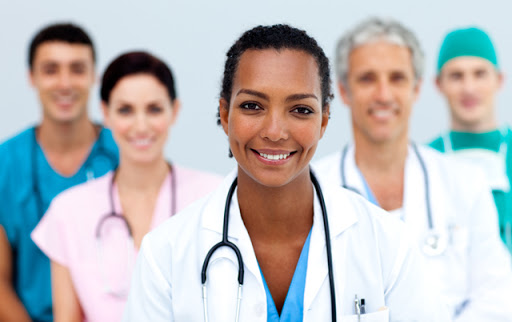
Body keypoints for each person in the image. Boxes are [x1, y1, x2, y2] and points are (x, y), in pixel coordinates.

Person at [122, 24, 442, 322]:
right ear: (224, 113)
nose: (275, 132)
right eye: (252, 106)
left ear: (324, 121)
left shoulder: (387, 244)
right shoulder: (165, 255)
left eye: (300, 110)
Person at [314, 17, 512, 321]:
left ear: (416, 88)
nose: (383, 94)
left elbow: (497, 295)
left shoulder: (465, 183)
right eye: (367, 78)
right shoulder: (311, 191)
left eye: (397, 78)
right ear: (343, 90)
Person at [31, 51, 223, 321]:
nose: (141, 126)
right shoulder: (68, 211)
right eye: (125, 110)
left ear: (174, 111)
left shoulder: (214, 198)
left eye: (154, 109)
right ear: (105, 113)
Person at [0, 23, 119, 322]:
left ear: (94, 76)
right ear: (32, 77)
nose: (65, 83)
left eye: (77, 69)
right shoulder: (6, 163)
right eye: (51, 69)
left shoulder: (124, 155)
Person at [428, 27, 512, 253]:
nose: (469, 88)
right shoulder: (423, 162)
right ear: (439, 84)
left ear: (499, 79)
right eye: (456, 76)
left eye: (479, 74)